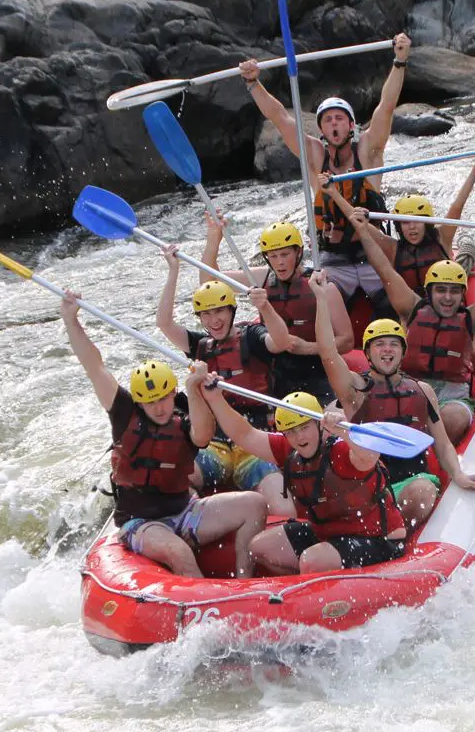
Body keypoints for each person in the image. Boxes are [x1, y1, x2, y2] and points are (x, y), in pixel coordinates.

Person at [60, 292, 266, 578]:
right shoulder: (123, 413)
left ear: (173, 393)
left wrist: (194, 388)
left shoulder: (183, 415)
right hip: (140, 523)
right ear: (139, 401)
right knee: (178, 551)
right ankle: (204, 601)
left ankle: (245, 583)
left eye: (163, 399)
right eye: (150, 402)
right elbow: (94, 366)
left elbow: (202, 437)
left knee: (254, 504)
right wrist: (71, 320)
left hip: (185, 511)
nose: (158, 408)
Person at [333, 195, 475, 444]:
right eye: (440, 290)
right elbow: (384, 269)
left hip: (452, 394)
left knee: (454, 418)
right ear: (429, 291)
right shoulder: (411, 309)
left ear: (462, 294)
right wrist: (362, 231)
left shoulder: (473, 319)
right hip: (408, 386)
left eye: (454, 291)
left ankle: (426, 448)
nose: (447, 297)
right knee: (346, 404)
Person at [238, 34, 412, 309]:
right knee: (322, 302)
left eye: (339, 119)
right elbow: (279, 117)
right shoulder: (314, 155)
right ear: (320, 129)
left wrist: (400, 61)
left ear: (351, 126)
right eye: (328, 120)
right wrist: (252, 83)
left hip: (372, 252)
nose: (334, 124)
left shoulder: (368, 151)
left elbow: (386, 107)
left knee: (394, 304)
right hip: (334, 258)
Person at [308, 270, 475, 530]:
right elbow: (327, 352)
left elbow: (443, 443)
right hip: (368, 485)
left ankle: (392, 530)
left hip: (412, 481)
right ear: (368, 353)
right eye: (379, 344)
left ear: (403, 351)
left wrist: (458, 474)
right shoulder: (355, 389)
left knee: (423, 491)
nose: (387, 349)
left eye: (394, 344)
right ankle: (378, 529)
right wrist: (321, 299)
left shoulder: (422, 390)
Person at [196, 380, 407, 575]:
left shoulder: (342, 450)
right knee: (259, 547)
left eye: (305, 428)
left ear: (319, 424)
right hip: (329, 536)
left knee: (311, 560)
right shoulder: (289, 451)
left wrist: (345, 431)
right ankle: (303, 589)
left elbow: (370, 456)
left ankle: (319, 586)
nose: (299, 437)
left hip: (378, 539)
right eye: (291, 431)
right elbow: (245, 435)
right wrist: (215, 398)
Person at [154, 243, 294, 516]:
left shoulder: (252, 337)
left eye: (219, 311)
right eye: (206, 314)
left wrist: (265, 307)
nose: (213, 320)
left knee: (283, 507)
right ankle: (192, 523)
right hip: (215, 445)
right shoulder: (200, 346)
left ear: (232, 311)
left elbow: (281, 341)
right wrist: (173, 270)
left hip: (254, 442)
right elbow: (164, 324)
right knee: (173, 480)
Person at [199, 214, 353, 404]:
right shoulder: (261, 278)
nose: (279, 262)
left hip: (318, 367)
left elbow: (347, 341)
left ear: (298, 253)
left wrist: (308, 348)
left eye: (285, 254)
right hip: (275, 370)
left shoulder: (323, 286)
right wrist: (213, 240)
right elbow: (209, 282)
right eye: (273, 256)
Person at [379, 148, 475, 294]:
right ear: (399, 227)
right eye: (405, 222)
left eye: (418, 221)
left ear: (427, 223)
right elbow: (363, 227)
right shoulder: (393, 247)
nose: (412, 227)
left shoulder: (443, 236)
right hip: (412, 304)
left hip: (445, 302)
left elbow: (458, 204)